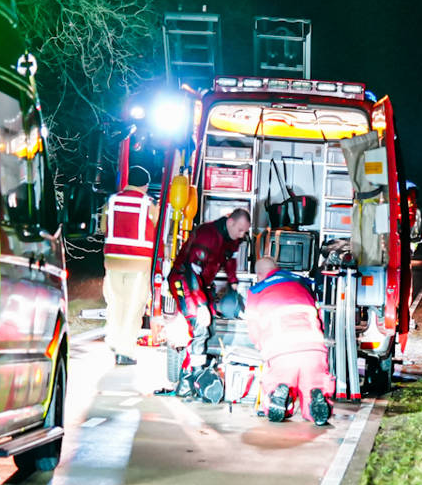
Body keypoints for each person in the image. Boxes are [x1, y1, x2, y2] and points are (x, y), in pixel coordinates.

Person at [159, 207, 251, 394]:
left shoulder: (230, 238)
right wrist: (201, 305)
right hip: (184, 279)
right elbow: (192, 271)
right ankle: (193, 376)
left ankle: (192, 374)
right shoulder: (208, 235)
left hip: (200, 284)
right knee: (199, 323)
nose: (242, 235)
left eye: (245, 231)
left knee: (209, 326)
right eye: (240, 230)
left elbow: (229, 260)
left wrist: (233, 283)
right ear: (230, 222)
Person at [245, 256, 334, 426]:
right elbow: (321, 316)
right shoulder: (302, 283)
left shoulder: (256, 291)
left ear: (260, 274)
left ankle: (277, 396)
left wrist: (261, 348)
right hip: (314, 347)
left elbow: (254, 329)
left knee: (278, 380)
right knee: (314, 381)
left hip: (282, 350)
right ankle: (317, 398)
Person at [100, 167, 156, 366]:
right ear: (145, 184)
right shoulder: (148, 204)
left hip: (113, 261)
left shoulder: (111, 201)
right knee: (133, 307)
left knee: (115, 304)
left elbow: (103, 227)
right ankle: (125, 351)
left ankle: (114, 341)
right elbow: (156, 229)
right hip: (139, 264)